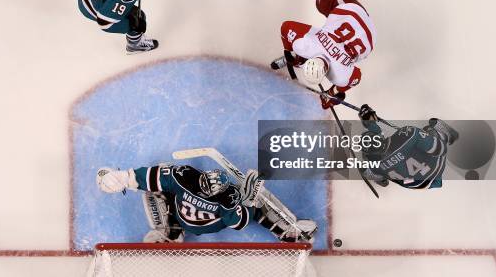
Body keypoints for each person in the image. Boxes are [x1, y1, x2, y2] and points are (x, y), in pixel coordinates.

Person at [97, 164, 316, 243]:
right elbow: (238, 223)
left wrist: (122, 178)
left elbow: (149, 176)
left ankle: (172, 232)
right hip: (210, 225)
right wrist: (247, 202)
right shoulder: (226, 198)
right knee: (258, 208)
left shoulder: (182, 177)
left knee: (159, 190)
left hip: (183, 215)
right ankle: (286, 232)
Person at [272, 0, 377, 110]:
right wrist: (289, 50)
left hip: (365, 32)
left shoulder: (340, 76)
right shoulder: (312, 46)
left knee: (324, 3)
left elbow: (355, 77)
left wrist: (334, 93)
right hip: (353, 18)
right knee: (322, 1)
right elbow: (286, 28)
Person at [358, 104, 459, 189]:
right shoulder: (407, 134)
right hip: (434, 170)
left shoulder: (373, 163)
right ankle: (447, 135)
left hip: (418, 184)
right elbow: (440, 150)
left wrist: (370, 121)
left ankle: (376, 176)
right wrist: (432, 136)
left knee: (376, 168)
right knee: (429, 129)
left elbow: (384, 184)